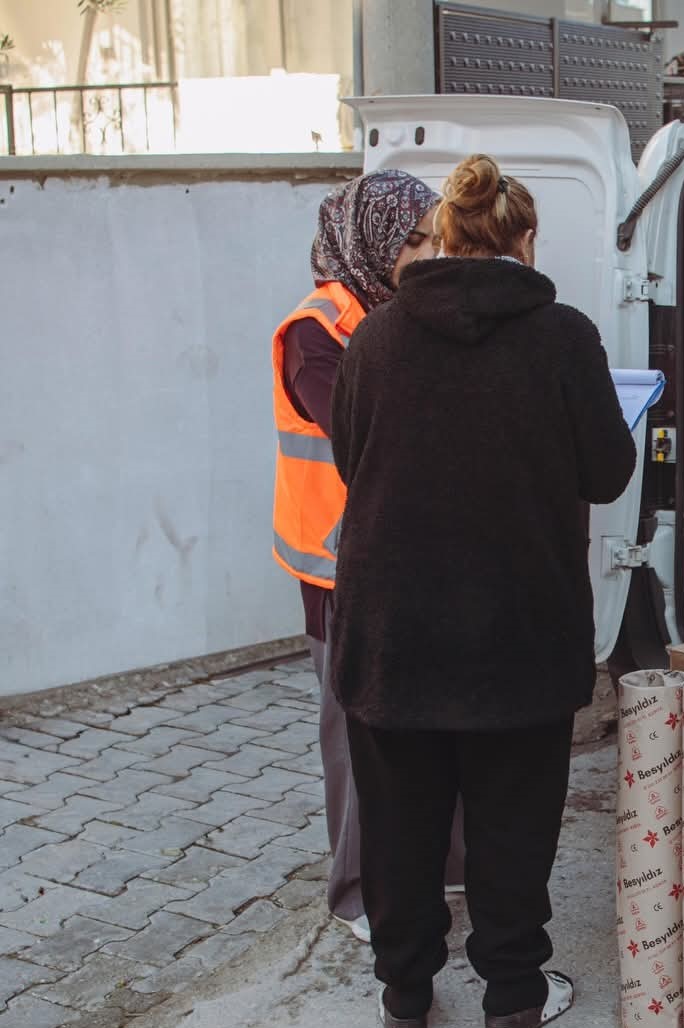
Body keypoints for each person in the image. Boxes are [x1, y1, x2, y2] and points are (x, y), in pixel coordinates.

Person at [328, 154, 637, 1028]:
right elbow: (609, 473)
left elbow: (354, 461)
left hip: (393, 626)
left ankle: (405, 1001)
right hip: (521, 625)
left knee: (398, 823)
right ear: (526, 240)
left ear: (445, 235)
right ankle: (511, 995)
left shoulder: (376, 338)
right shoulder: (565, 336)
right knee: (513, 820)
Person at [271, 169, 466, 943]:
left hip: (413, 550)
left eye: (432, 239)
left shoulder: (400, 315)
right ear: (370, 241)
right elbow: (366, 430)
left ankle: (445, 865)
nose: (424, 255)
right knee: (356, 732)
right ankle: (356, 890)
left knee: (438, 712)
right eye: (411, 240)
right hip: (338, 567)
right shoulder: (316, 330)